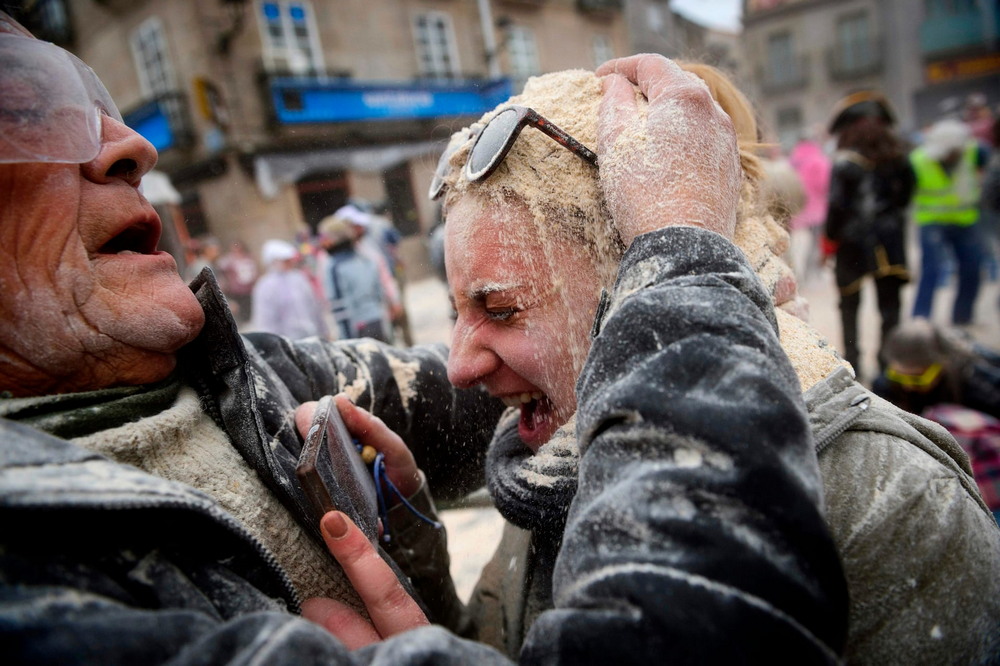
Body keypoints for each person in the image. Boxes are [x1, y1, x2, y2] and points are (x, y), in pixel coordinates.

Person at [0, 16, 849, 661]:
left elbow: (567, 387)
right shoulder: (34, 595)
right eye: (24, 110)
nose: (131, 148)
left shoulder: (265, 381)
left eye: (505, 307)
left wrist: (413, 564)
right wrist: (688, 264)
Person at [366, 63, 997, 663]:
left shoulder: (885, 496)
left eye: (501, 309)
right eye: (456, 312)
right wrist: (417, 585)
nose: (457, 365)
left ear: (642, 278)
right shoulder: (562, 452)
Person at [823, 91, 915, 376]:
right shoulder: (899, 158)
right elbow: (907, 196)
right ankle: (887, 369)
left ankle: (853, 366)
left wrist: (828, 241)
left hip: (852, 245)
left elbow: (837, 208)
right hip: (889, 242)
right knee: (890, 311)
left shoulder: (845, 163)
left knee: (849, 309)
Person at [910, 117, 988, 325]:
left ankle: (963, 316)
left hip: (965, 219)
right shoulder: (918, 160)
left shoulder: (973, 152)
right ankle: (921, 318)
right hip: (932, 221)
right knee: (931, 269)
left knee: (972, 267)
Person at [318, 213, 392, 342]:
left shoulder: (334, 267)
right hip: (377, 320)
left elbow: (340, 307)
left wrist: (346, 340)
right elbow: (379, 292)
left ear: (333, 238)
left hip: (357, 327)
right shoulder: (364, 258)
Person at [250, 239, 329, 340]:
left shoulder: (299, 278)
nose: (289, 263)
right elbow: (265, 320)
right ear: (272, 261)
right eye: (285, 260)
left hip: (311, 336)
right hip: (287, 340)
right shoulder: (265, 286)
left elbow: (313, 307)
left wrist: (324, 331)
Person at [787, 135, 832, 285]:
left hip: (797, 209)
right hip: (817, 210)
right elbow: (824, 185)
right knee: (816, 243)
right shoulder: (818, 160)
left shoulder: (793, 161)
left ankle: (800, 275)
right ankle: (814, 273)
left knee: (796, 245)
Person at [217, 239, 259, 324]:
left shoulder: (247, 257)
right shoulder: (228, 259)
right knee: (243, 312)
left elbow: (254, 270)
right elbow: (221, 269)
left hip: (250, 288)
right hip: (237, 290)